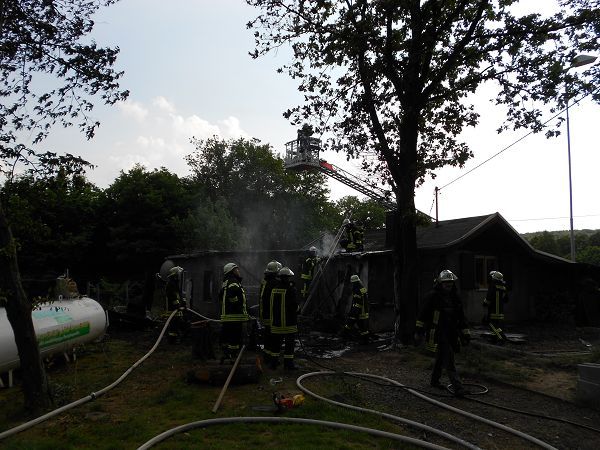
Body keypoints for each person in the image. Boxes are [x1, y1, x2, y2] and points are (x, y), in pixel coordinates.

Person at [414, 269, 470, 396]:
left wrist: (466, 333)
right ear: (440, 283)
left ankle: (434, 381)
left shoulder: (455, 297)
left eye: (450, 282)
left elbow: (461, 317)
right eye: (446, 282)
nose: (449, 285)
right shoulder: (433, 296)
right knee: (449, 358)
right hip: (438, 332)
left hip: (452, 332)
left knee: (441, 357)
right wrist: (418, 332)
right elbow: (422, 315)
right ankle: (458, 388)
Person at [268, 267, 298, 370]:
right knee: (289, 345)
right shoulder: (291, 289)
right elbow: (294, 306)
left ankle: (273, 363)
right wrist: (298, 309)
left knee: (275, 344)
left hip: (276, 323)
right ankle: (288, 364)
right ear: (289, 277)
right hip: (289, 323)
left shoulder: (274, 289)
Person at [219, 262, 249, 363]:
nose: (238, 271)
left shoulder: (226, 282)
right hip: (234, 316)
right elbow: (231, 297)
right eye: (236, 269)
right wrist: (239, 306)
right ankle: (233, 356)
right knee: (234, 338)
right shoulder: (233, 282)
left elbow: (220, 296)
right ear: (231, 271)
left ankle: (228, 354)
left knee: (228, 336)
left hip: (228, 315)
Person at [259, 260, 282, 365]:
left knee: (268, 336)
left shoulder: (265, 281)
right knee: (275, 338)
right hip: (273, 314)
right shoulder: (275, 283)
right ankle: (273, 359)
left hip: (265, 314)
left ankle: (267, 357)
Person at [343, 275, 370, 343]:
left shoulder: (357, 290)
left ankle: (345, 335)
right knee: (362, 327)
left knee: (355, 324)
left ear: (355, 283)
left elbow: (358, 302)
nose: (352, 284)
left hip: (359, 311)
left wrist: (353, 312)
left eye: (352, 283)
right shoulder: (362, 288)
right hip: (364, 310)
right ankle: (365, 340)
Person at [483, 271, 509, 343]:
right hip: (500, 310)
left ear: (494, 278)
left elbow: (489, 297)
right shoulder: (503, 287)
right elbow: (506, 299)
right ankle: (494, 338)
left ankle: (500, 337)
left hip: (493, 309)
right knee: (498, 325)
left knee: (491, 324)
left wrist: (485, 303)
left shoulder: (493, 285)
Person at [165, 266, 185, 343]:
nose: (179, 276)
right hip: (172, 308)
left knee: (177, 324)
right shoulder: (171, 284)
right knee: (173, 325)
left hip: (177, 308)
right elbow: (172, 296)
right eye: (178, 275)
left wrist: (182, 302)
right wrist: (177, 304)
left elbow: (178, 295)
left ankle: (176, 338)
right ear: (174, 275)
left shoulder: (175, 283)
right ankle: (172, 340)